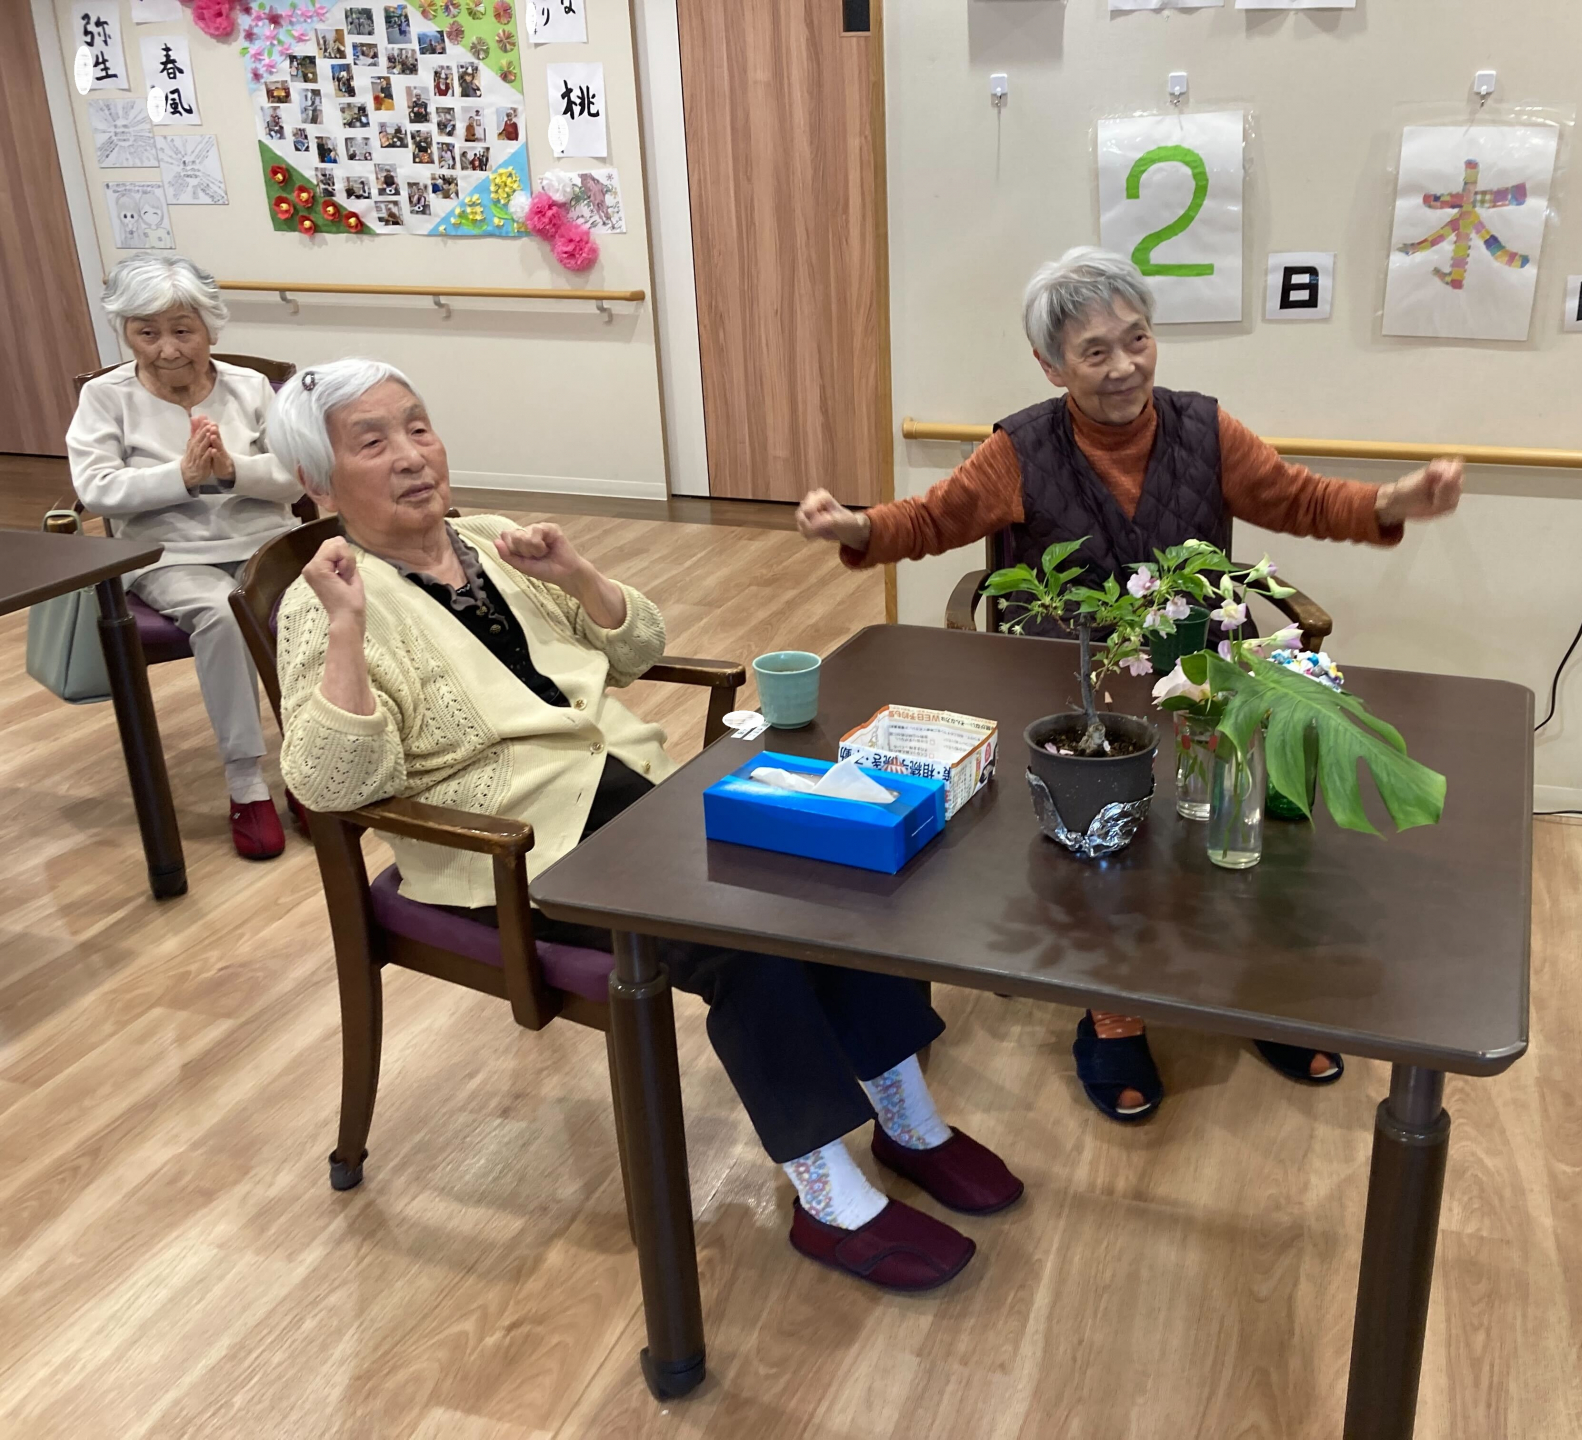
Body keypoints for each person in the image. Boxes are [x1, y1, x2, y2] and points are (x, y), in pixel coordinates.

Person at [269, 358, 1021, 1291]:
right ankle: (828, 1197)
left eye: (418, 426)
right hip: (515, 849)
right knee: (740, 937)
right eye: (372, 441)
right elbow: (336, 785)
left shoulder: (491, 539)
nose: (412, 455)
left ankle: (907, 1121)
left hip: (636, 793)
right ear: (317, 481)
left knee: (832, 867)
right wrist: (347, 628)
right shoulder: (324, 602)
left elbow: (639, 648)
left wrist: (576, 573)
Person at [795, 246, 1464, 1122]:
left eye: (1137, 339)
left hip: (1200, 673)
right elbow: (932, 520)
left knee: (1243, 829)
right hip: (1078, 684)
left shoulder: (1205, 429)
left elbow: (1298, 499)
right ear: (1052, 366)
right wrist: (855, 527)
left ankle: (1254, 997)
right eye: (1095, 352)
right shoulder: (1020, 447)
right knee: (1102, 840)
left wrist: (1391, 503)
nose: (1124, 366)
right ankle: (1112, 1010)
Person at [67, 255, 304, 860]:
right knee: (223, 613)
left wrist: (233, 469)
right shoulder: (105, 396)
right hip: (168, 554)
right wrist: (181, 476)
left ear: (210, 329)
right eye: (147, 333)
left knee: (318, 608)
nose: (167, 349)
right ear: (125, 333)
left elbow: (294, 478)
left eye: (182, 330)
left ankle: (310, 765)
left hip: (264, 546)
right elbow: (96, 489)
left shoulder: (250, 387)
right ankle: (247, 785)